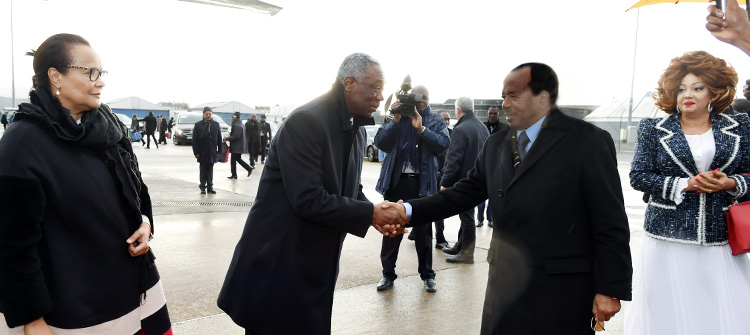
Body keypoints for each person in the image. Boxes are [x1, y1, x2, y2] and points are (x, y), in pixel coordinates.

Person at [390, 63, 632, 334]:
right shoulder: (496, 145)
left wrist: (610, 288)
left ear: (543, 97)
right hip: (504, 288)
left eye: (513, 95)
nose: (504, 104)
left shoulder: (587, 141)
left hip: (562, 290)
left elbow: (610, 219)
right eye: (503, 95)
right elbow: (462, 194)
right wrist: (407, 210)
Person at [217, 53, 407, 334]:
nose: (380, 98)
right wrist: (370, 213)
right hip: (279, 266)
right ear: (349, 83)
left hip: (314, 264)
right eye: (375, 88)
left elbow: (350, 189)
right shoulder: (307, 121)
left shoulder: (354, 129)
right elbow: (307, 199)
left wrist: (375, 214)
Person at [0, 33, 171, 335]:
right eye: (90, 72)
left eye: (101, 72)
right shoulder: (22, 144)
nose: (100, 81)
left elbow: (137, 192)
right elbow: (12, 245)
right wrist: (32, 319)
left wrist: (144, 223)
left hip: (141, 290)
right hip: (78, 309)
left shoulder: (110, 128)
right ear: (56, 77)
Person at [625, 51, 750, 335]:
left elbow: (748, 173)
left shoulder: (740, 126)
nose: (687, 95)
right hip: (667, 239)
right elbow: (639, 176)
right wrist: (685, 184)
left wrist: (730, 183)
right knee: (668, 317)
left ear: (714, 92)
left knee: (722, 316)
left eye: (697, 87)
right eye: (680, 88)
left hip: (720, 239)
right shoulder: (652, 128)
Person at [374, 84, 450, 293]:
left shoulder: (434, 120)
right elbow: (380, 142)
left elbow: (443, 144)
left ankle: (427, 275)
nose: (421, 101)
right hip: (397, 183)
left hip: (422, 184)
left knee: (424, 234)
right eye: (418, 98)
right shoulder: (398, 116)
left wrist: (421, 129)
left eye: (424, 97)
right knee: (392, 232)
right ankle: (387, 274)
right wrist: (395, 121)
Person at [439, 97, 489, 264]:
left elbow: (453, 160)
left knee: (467, 217)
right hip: (479, 179)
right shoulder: (482, 127)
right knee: (466, 214)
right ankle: (461, 246)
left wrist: (445, 182)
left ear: (458, 110)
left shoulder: (460, 129)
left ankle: (467, 253)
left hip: (465, 181)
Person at [476, 105, 506, 228]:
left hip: (498, 166)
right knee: (480, 196)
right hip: (483, 164)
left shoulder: (505, 128)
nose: (492, 116)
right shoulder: (482, 126)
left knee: (493, 196)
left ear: (499, 114)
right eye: (490, 114)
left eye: (494, 114)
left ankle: (490, 219)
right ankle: (480, 219)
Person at [433, 111, 452, 249]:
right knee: (437, 208)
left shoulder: (452, 133)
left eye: (448, 119)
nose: (446, 121)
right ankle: (440, 238)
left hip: (443, 174)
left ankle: (415, 233)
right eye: (443, 118)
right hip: (433, 174)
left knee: (438, 207)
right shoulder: (433, 133)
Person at [192, 106, 222, 194]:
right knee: (203, 170)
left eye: (210, 114)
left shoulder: (216, 124)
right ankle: (202, 187)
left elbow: (219, 138)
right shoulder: (198, 125)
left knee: (210, 170)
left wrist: (219, 150)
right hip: (202, 152)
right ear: (203, 115)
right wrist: (196, 152)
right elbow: (194, 140)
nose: (208, 115)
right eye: (206, 114)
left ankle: (210, 187)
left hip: (212, 152)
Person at [226, 111, 254, 179]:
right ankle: (236, 174)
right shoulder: (241, 124)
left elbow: (236, 136)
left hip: (237, 147)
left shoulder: (237, 125)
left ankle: (247, 169)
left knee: (234, 161)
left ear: (236, 118)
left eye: (233, 118)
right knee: (237, 159)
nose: (232, 119)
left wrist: (227, 138)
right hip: (239, 146)